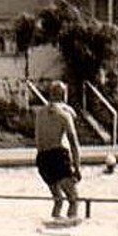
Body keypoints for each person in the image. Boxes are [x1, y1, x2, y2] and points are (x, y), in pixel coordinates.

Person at [34, 80, 82, 220]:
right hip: (57, 157)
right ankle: (70, 227)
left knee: (58, 200)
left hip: (42, 159)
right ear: (65, 95)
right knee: (73, 199)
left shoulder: (40, 113)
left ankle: (55, 221)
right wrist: (77, 168)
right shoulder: (65, 115)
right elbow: (74, 143)